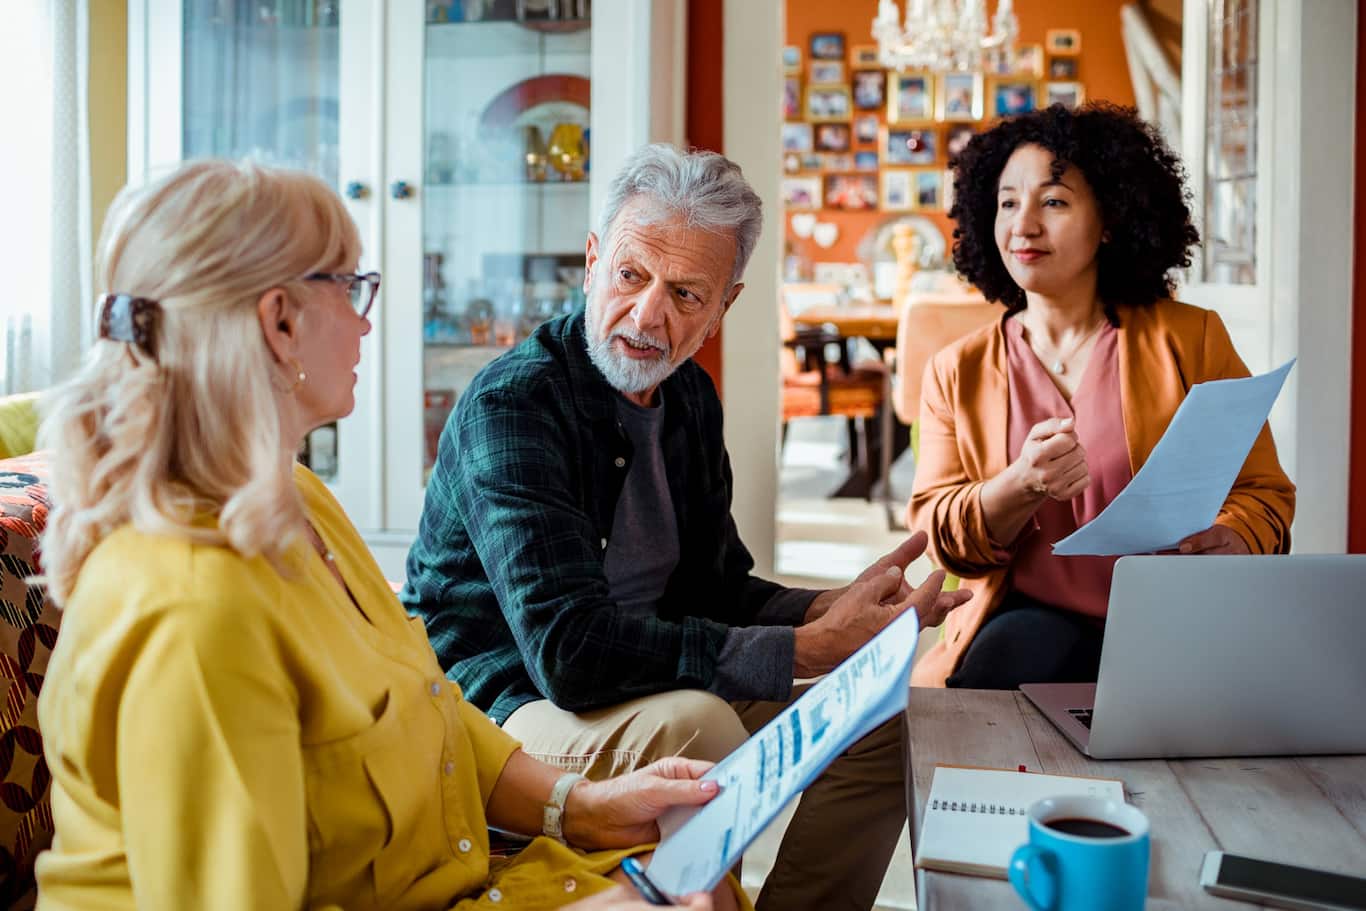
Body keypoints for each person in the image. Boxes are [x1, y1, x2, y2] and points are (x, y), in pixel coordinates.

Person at [34, 160, 743, 911]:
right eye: (349, 286)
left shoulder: (296, 498)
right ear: (280, 322)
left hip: (463, 876)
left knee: (701, 877)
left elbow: (425, 703)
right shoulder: (192, 611)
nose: (367, 317)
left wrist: (579, 803)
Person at [402, 143, 970, 911]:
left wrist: (833, 606)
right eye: (631, 276)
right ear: (594, 261)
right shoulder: (516, 405)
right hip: (510, 701)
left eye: (685, 293)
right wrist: (802, 649)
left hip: (643, 677)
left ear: (723, 308)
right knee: (700, 726)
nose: (647, 315)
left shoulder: (689, 397)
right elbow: (568, 653)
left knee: (883, 721)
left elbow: (716, 586)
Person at [907, 103, 1295, 689]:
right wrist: (1018, 485)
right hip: (1028, 621)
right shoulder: (955, 371)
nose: (1024, 225)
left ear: (1110, 219)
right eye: (1008, 203)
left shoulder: (1192, 338)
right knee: (998, 672)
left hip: (1174, 615)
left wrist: (1237, 535)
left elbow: (1262, 491)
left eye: (1054, 201)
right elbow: (940, 538)